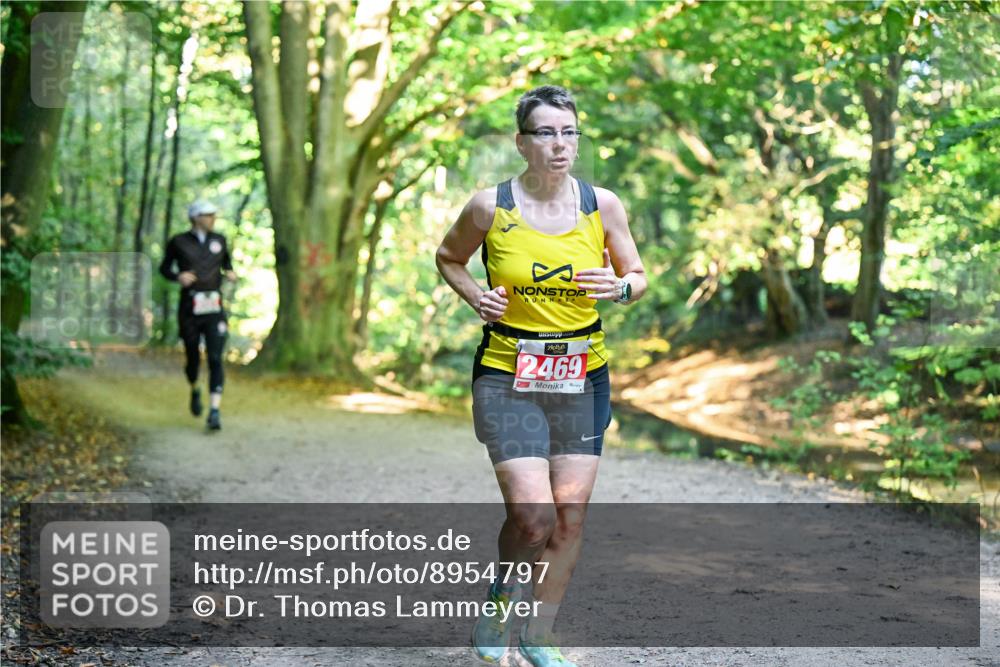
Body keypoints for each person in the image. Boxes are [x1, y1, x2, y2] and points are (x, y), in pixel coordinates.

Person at [436, 85, 647, 667]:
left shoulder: (601, 205)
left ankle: (538, 635)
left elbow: (636, 275)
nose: (560, 145)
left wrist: (622, 287)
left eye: (569, 132)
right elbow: (449, 258)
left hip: (583, 374)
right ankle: (501, 601)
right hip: (508, 373)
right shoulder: (490, 206)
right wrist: (476, 295)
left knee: (570, 514)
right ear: (522, 143)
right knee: (531, 517)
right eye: (547, 133)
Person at [159, 200, 236, 431]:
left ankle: (214, 410)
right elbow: (164, 268)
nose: (212, 218)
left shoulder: (220, 240)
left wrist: (231, 274)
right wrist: (178, 277)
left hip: (214, 307)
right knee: (192, 357)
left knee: (215, 358)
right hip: (189, 308)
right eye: (207, 215)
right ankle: (194, 387)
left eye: (214, 214)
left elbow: (227, 266)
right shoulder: (178, 241)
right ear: (195, 217)